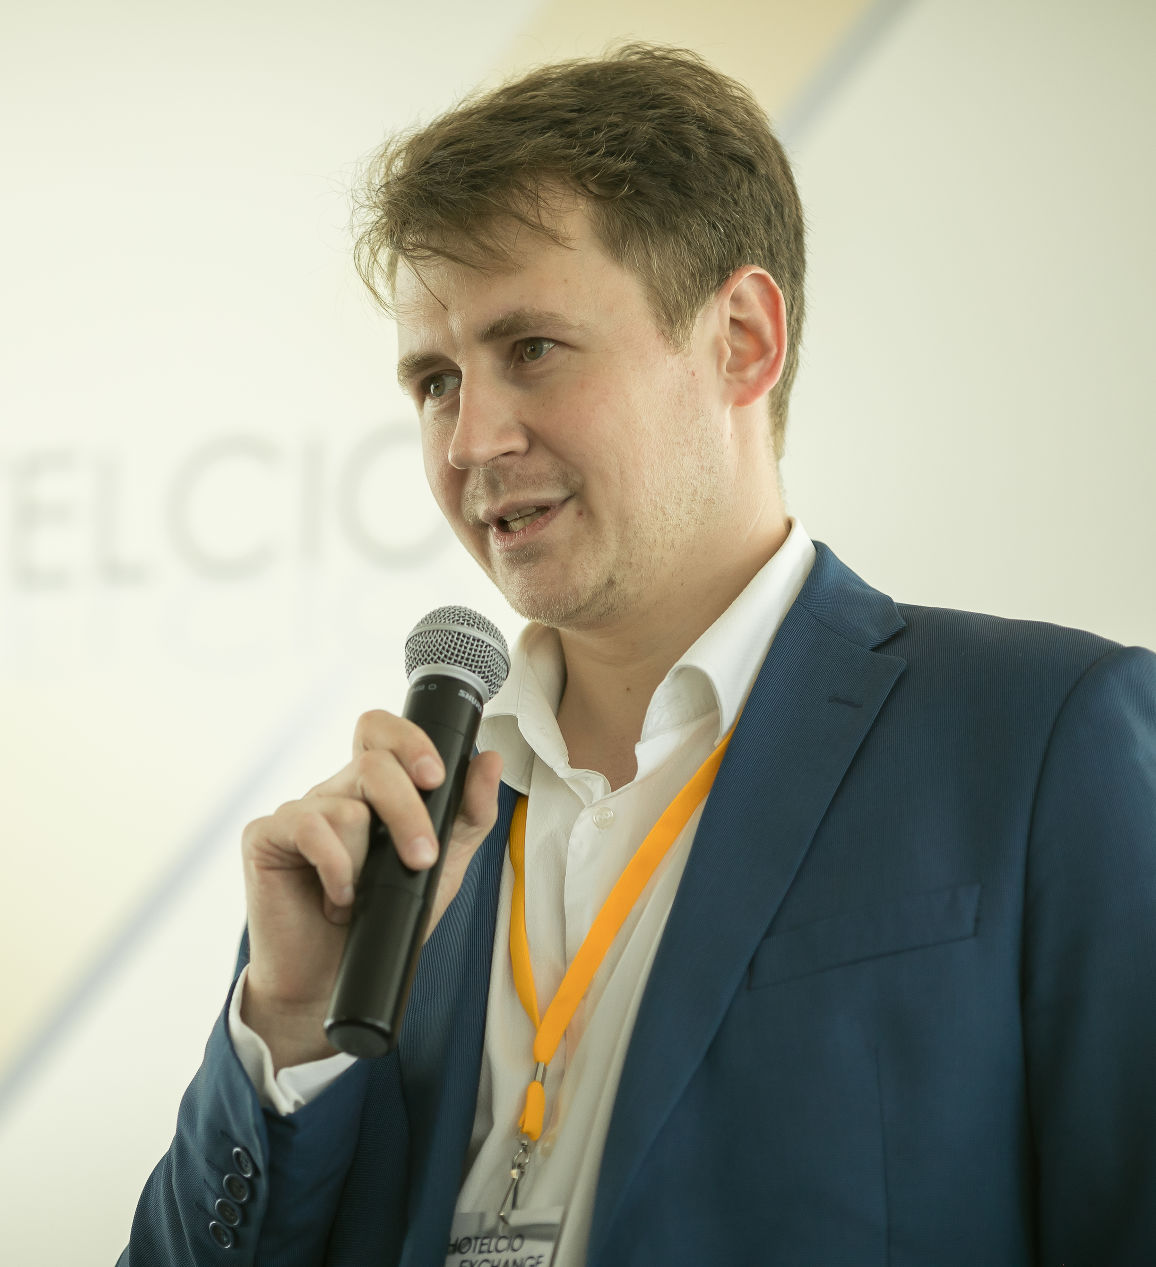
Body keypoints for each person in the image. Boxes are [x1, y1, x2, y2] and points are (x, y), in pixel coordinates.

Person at [120, 45, 1156, 1266]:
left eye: (531, 349)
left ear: (741, 340)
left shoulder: (1042, 738)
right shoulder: (393, 845)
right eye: (436, 380)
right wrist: (289, 1030)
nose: (470, 441)